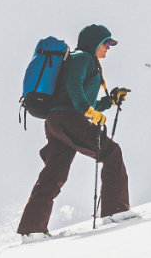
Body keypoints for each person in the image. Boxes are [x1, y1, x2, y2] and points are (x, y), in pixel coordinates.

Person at [16, 24, 131, 234]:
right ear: (94, 43)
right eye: (106, 43)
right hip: (68, 119)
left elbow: (82, 98)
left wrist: (109, 101)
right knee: (111, 152)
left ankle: (32, 229)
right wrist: (88, 112)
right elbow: (74, 87)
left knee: (54, 173)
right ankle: (115, 212)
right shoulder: (83, 59)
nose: (108, 48)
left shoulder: (82, 60)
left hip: (57, 120)